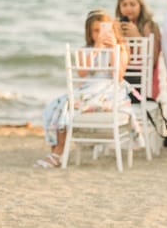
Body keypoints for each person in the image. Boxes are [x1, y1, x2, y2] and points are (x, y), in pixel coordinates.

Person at [36, 10, 135, 169]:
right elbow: (82, 73)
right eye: (96, 31)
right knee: (56, 106)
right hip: (88, 88)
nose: (100, 34)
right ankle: (56, 150)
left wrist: (111, 49)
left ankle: (58, 153)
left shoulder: (120, 48)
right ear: (89, 33)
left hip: (110, 90)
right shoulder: (85, 51)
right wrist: (96, 48)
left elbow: (118, 75)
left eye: (103, 30)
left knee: (68, 106)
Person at [115, 0, 162, 99]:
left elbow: (153, 59)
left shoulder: (149, 26)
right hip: (122, 74)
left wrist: (137, 36)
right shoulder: (117, 25)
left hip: (142, 78)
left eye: (132, 4)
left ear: (140, 5)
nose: (128, 8)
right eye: (124, 4)